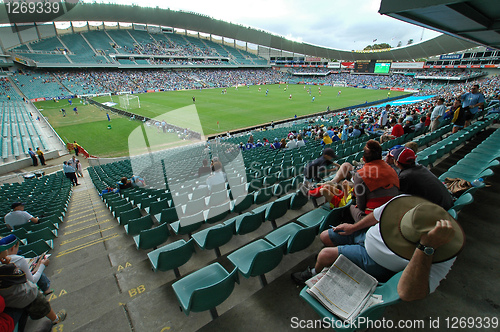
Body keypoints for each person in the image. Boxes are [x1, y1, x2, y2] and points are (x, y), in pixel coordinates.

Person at [292, 194, 465, 302]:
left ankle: (315, 273)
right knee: (325, 236)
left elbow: (410, 293)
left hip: (374, 261)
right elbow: (375, 216)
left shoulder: (443, 248)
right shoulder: (405, 204)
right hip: (365, 235)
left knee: (324, 255)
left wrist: (427, 247)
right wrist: (353, 227)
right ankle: (341, 259)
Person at [0, 236, 67, 325]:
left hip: (7, 300)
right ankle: (55, 318)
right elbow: (32, 280)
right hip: (24, 296)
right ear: (12, 247)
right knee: (38, 296)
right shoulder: (18, 260)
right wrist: (42, 265)